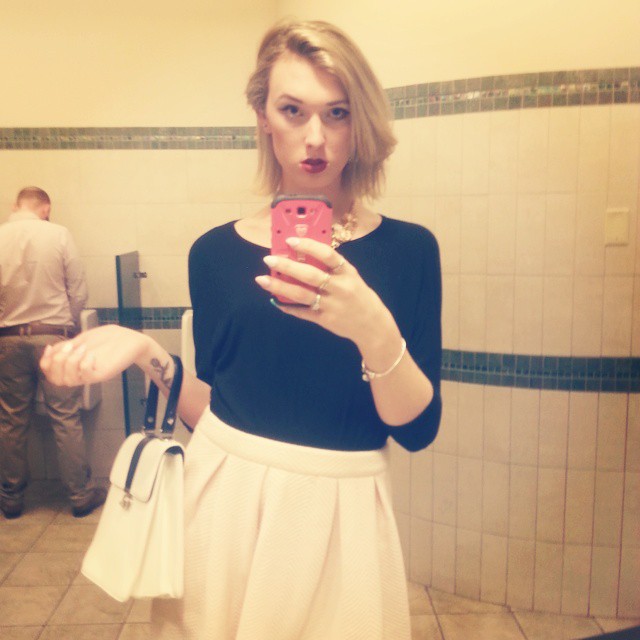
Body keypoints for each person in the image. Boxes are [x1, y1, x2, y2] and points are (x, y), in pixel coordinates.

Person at [41, 19, 442, 640]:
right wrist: (147, 353)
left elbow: (416, 429)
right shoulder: (214, 254)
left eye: (337, 113)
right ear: (263, 116)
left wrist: (373, 328)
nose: (315, 137)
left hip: (342, 517)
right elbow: (217, 411)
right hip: (222, 504)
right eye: (293, 110)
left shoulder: (408, 250)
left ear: (358, 120)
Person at [0, 186, 106, 519]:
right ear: (45, 208)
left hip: (8, 339)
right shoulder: (58, 234)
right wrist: (66, 328)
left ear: (16, 206)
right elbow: (78, 291)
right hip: (52, 337)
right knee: (65, 416)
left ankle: (11, 499)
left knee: (11, 420)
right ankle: (80, 495)